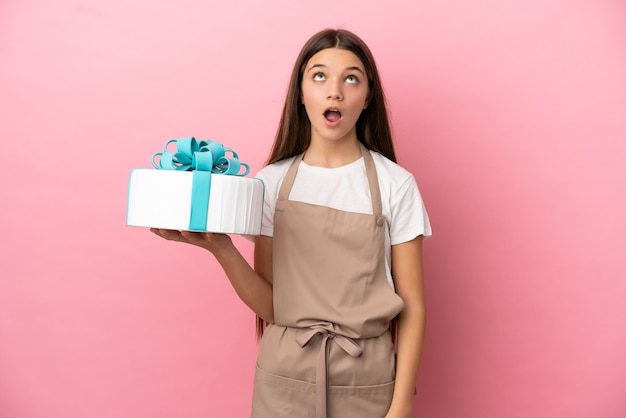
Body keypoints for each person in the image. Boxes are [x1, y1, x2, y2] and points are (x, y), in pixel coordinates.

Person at [151, 28, 431, 418]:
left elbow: (413, 307)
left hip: (367, 382)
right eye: (319, 75)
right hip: (284, 381)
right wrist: (221, 247)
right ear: (301, 93)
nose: (335, 90)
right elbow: (271, 305)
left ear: (367, 97)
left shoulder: (396, 185)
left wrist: (400, 408)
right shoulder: (271, 183)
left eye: (351, 78)